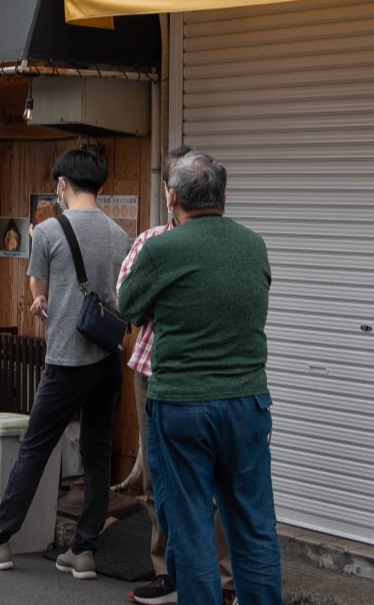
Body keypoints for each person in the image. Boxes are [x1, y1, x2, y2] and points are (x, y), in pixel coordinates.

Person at [0, 147, 129, 581]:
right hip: (108, 357)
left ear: (63, 184)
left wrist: (40, 299)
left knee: (35, 447)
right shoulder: (120, 235)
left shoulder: (49, 230)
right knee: (97, 451)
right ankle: (83, 550)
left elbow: (39, 288)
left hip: (68, 358)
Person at [121, 151, 280, 605]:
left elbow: (129, 306)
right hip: (248, 401)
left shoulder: (162, 249)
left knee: (190, 527)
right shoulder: (253, 246)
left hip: (181, 404)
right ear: (223, 196)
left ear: (172, 198)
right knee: (254, 527)